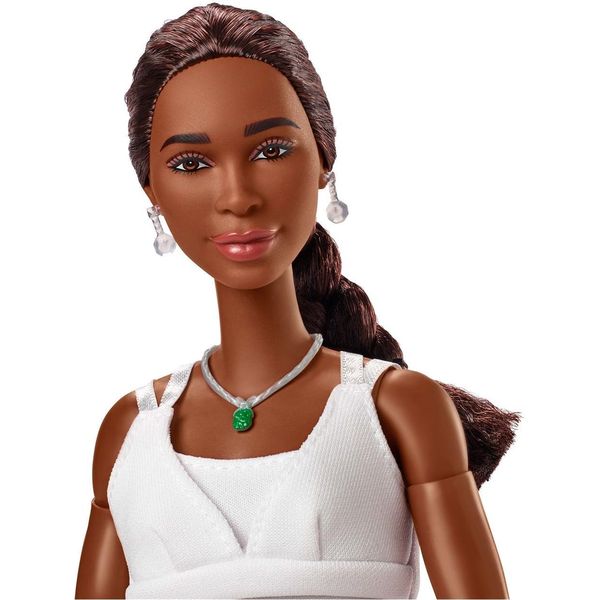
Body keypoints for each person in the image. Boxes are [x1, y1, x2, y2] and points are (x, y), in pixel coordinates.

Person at [75, 3, 520, 598]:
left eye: (271, 151)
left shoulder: (398, 409)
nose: (237, 196)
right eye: (191, 163)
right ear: (152, 190)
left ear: (323, 160)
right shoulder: (131, 431)